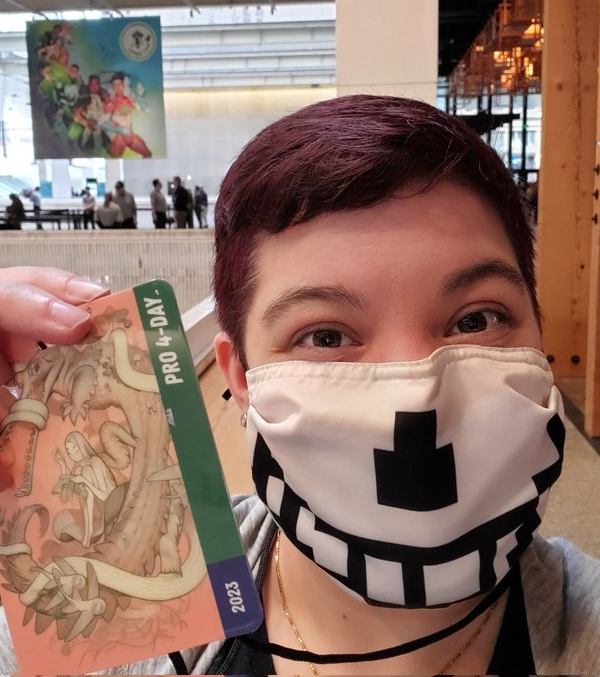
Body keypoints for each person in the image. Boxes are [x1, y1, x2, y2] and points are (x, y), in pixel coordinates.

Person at [0, 95, 599, 675]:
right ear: (240, 375)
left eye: (476, 321)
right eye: (326, 336)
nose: (417, 390)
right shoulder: (114, 593)